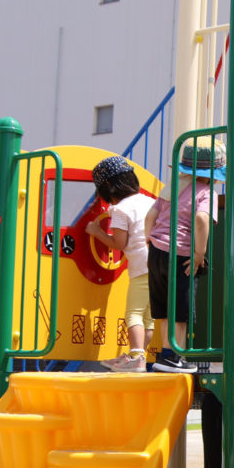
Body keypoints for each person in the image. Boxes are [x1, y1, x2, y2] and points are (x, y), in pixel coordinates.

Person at [145, 136, 224, 373]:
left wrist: (150, 240)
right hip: (182, 255)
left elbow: (150, 216)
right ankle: (175, 356)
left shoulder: (170, 188)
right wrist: (200, 253)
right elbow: (201, 219)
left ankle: (166, 354)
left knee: (164, 308)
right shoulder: (206, 192)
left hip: (156, 252)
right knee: (180, 309)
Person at [86, 156, 155, 372]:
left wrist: (97, 233)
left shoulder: (120, 209)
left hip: (141, 268)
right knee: (149, 318)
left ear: (108, 186)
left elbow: (119, 243)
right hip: (161, 265)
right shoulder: (150, 202)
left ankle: (136, 357)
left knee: (133, 314)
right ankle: (139, 356)